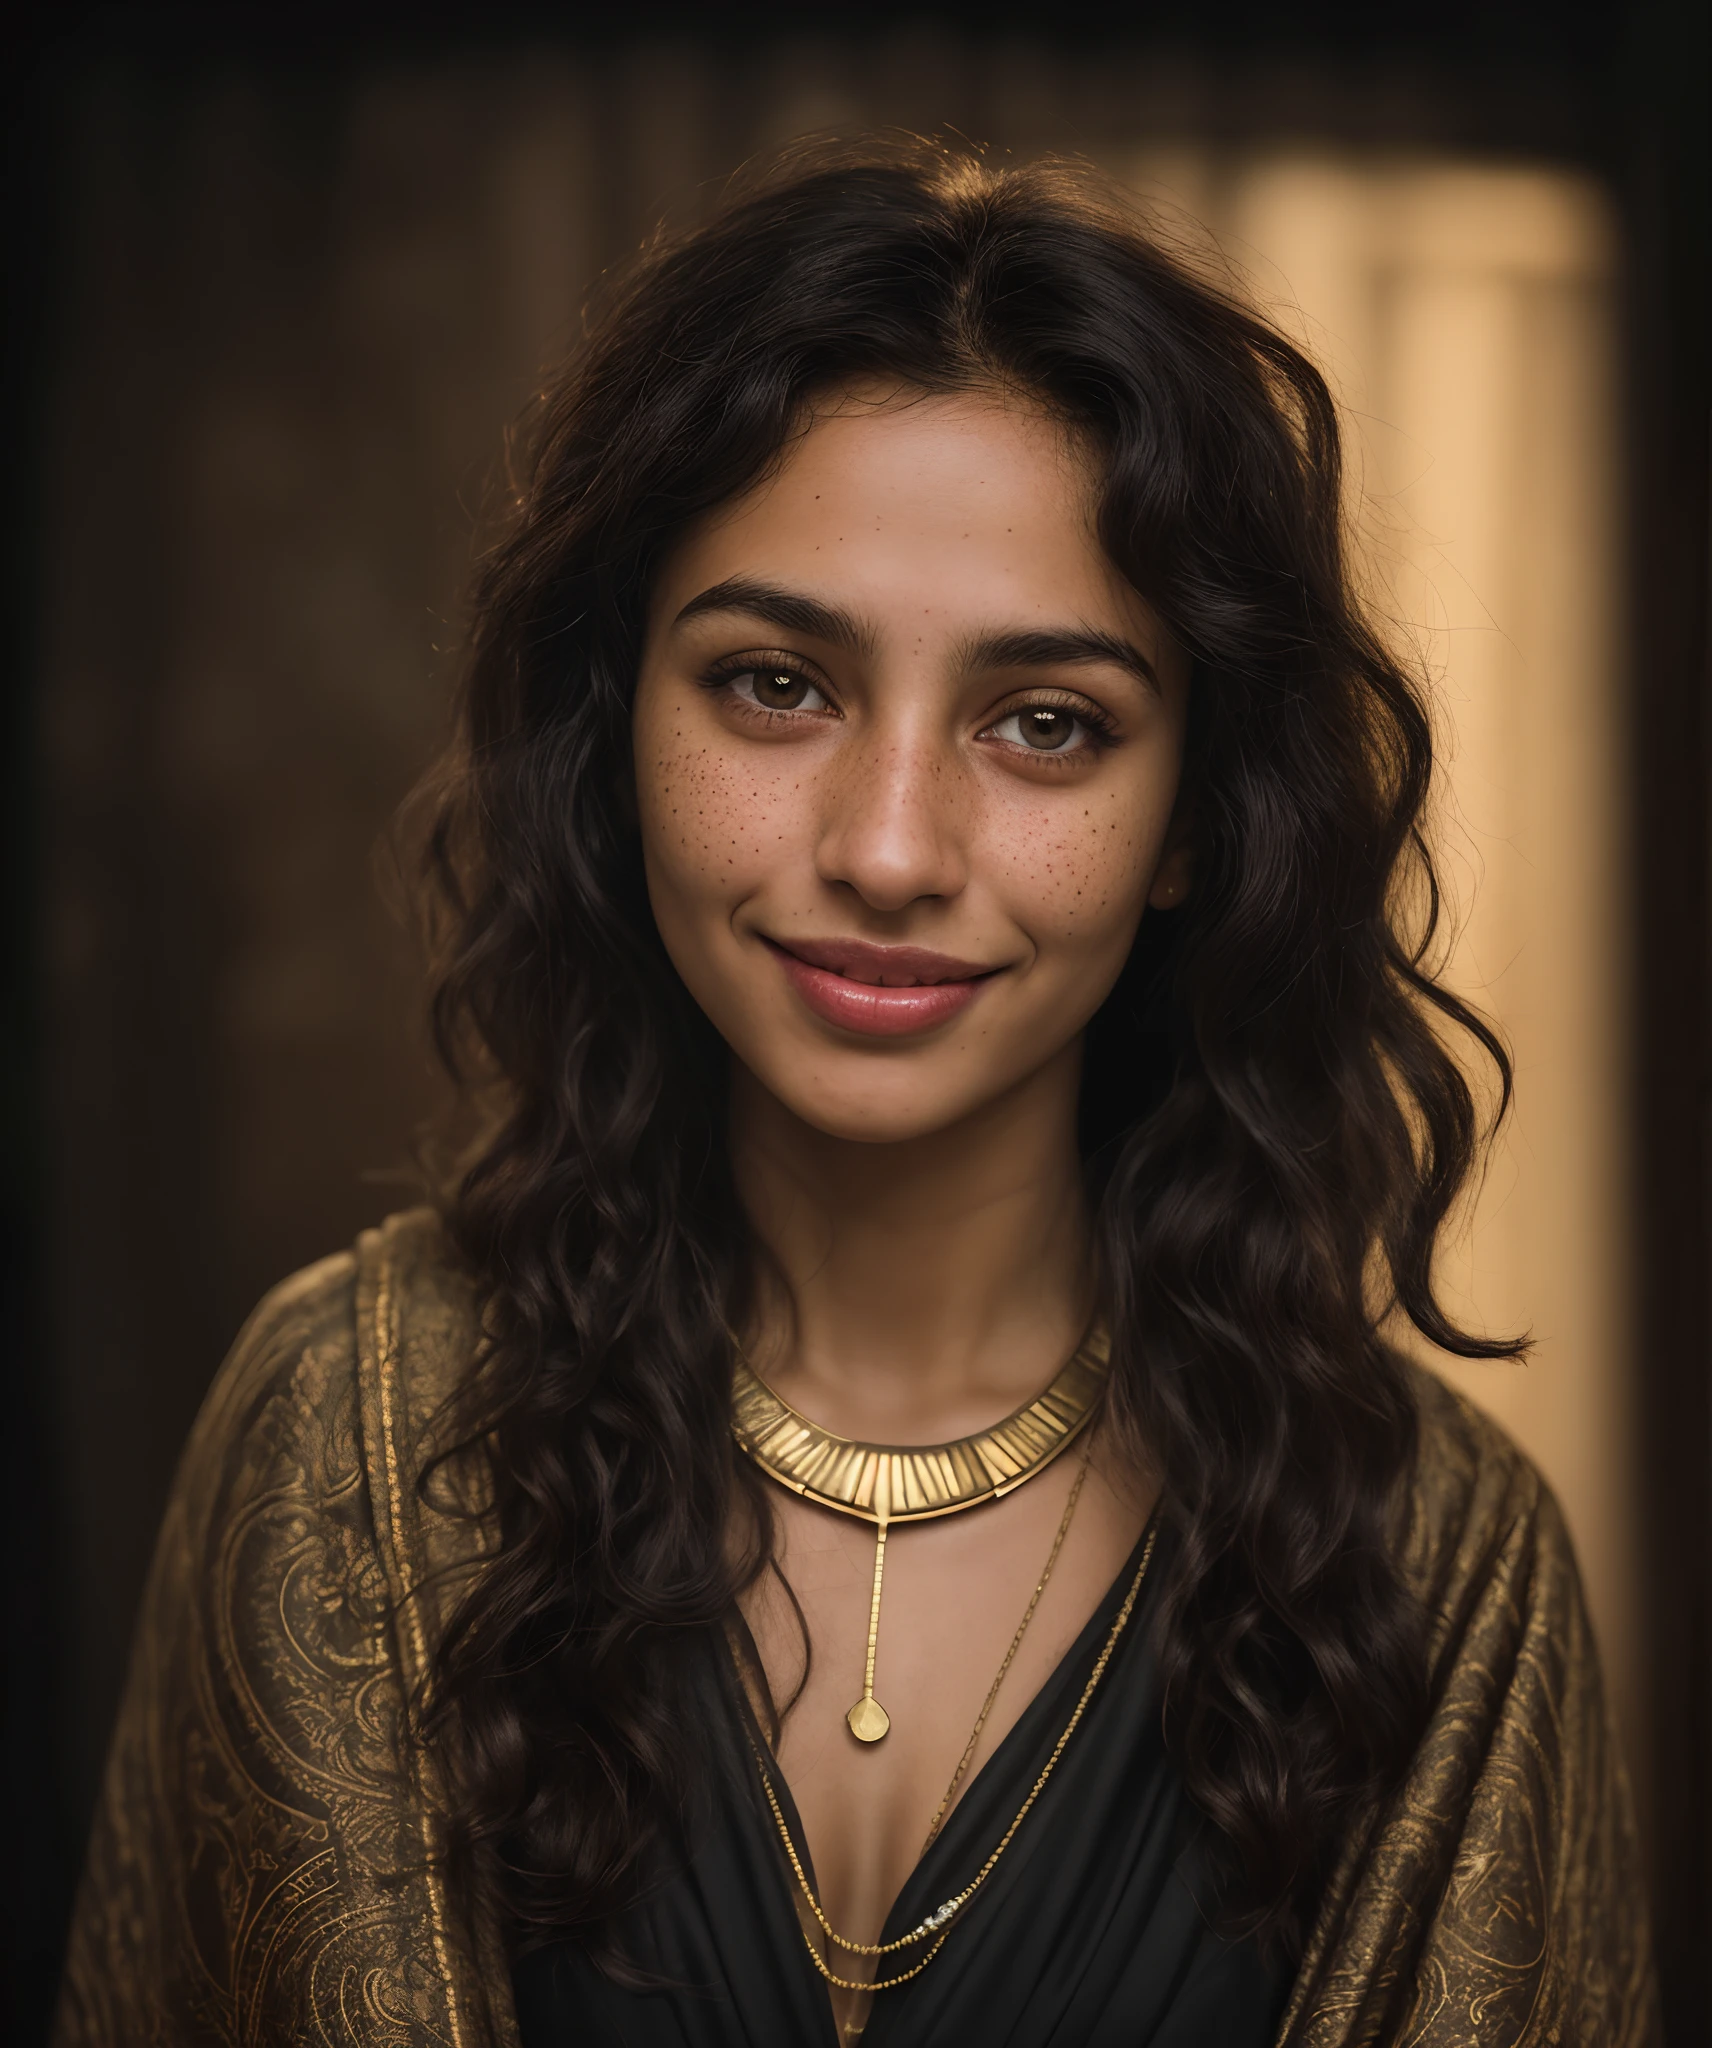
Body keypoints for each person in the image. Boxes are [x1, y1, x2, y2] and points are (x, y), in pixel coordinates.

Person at [55, 140, 1657, 2048]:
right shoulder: (342, 1446)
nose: (891, 846)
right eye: (775, 686)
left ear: (1191, 826)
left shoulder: (1438, 1580)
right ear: (616, 727)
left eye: (1045, 722)